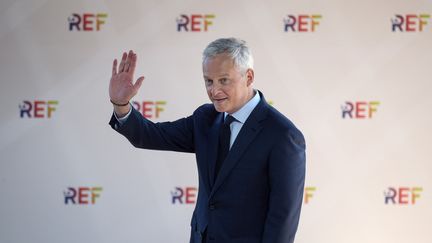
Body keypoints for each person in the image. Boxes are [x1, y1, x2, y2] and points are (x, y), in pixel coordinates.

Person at [108, 38, 306, 243]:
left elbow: (283, 220)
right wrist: (121, 104)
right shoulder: (205, 118)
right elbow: (151, 135)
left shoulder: (283, 135)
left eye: (224, 80)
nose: (214, 90)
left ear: (248, 77)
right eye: (209, 81)